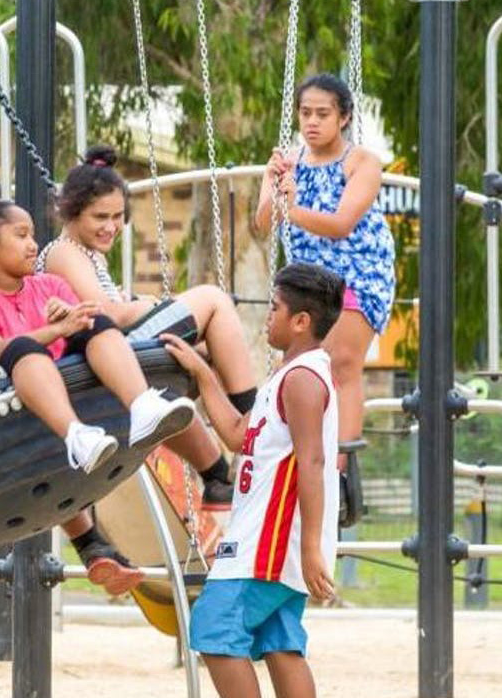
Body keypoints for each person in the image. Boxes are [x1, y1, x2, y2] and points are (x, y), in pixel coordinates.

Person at [0, 199, 197, 594]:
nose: (33, 245)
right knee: (23, 351)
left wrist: (68, 320)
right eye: (21, 235)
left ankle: (142, 404)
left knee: (95, 321)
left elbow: (80, 322)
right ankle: (76, 437)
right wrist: (54, 331)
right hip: (14, 409)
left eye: (33, 234)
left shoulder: (49, 285)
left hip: (73, 392)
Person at [36, 144, 260, 508]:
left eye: (117, 217)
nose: (111, 227)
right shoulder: (64, 251)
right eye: (99, 217)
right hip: (102, 354)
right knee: (213, 300)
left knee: (200, 360)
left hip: (115, 353)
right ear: (71, 213)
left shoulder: (86, 254)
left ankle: (217, 475)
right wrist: (149, 303)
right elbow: (104, 313)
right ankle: (255, 421)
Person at [163, 262, 343, 698]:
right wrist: (204, 373)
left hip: (270, 541)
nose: (268, 314)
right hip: (275, 541)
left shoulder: (302, 379)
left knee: (213, 627)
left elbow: (313, 462)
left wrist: (312, 547)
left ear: (301, 321)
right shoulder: (289, 375)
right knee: (280, 643)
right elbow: (238, 434)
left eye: (275, 307)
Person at [255, 73, 395, 457]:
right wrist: (272, 184)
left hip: (357, 268)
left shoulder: (361, 162)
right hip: (306, 275)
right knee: (298, 363)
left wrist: (292, 208)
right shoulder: (287, 162)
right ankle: (294, 456)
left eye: (323, 113)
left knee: (342, 363)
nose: (312, 122)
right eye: (305, 113)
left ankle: (341, 465)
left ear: (344, 117)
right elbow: (263, 224)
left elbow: (340, 224)